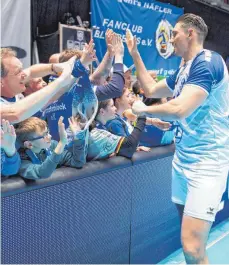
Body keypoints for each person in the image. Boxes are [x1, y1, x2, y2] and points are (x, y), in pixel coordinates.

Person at [126, 13, 229, 264]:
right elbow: (150, 89)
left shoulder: (207, 63)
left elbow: (181, 108)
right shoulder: (184, 68)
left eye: (174, 34)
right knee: (191, 246)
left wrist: (144, 110)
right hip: (182, 163)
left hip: (207, 164)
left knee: (193, 249)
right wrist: (135, 54)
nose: (171, 39)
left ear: (190, 34)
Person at [44, 32, 126, 140]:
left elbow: (97, 77)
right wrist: (119, 56)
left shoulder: (56, 87)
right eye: (86, 65)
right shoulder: (78, 91)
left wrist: (110, 53)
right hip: (73, 152)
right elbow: (116, 88)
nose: (88, 70)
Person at [0, 48, 77, 123]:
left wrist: (54, 67)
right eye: (18, 72)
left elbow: (31, 71)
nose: (24, 74)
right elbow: (15, 114)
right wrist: (60, 81)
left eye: (22, 69)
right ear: (1, 81)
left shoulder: (13, 85)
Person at [15, 116, 85, 179]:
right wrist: (61, 143)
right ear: (29, 144)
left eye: (48, 132)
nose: (50, 136)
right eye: (44, 135)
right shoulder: (22, 160)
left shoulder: (53, 145)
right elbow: (42, 173)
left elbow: (77, 162)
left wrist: (78, 138)